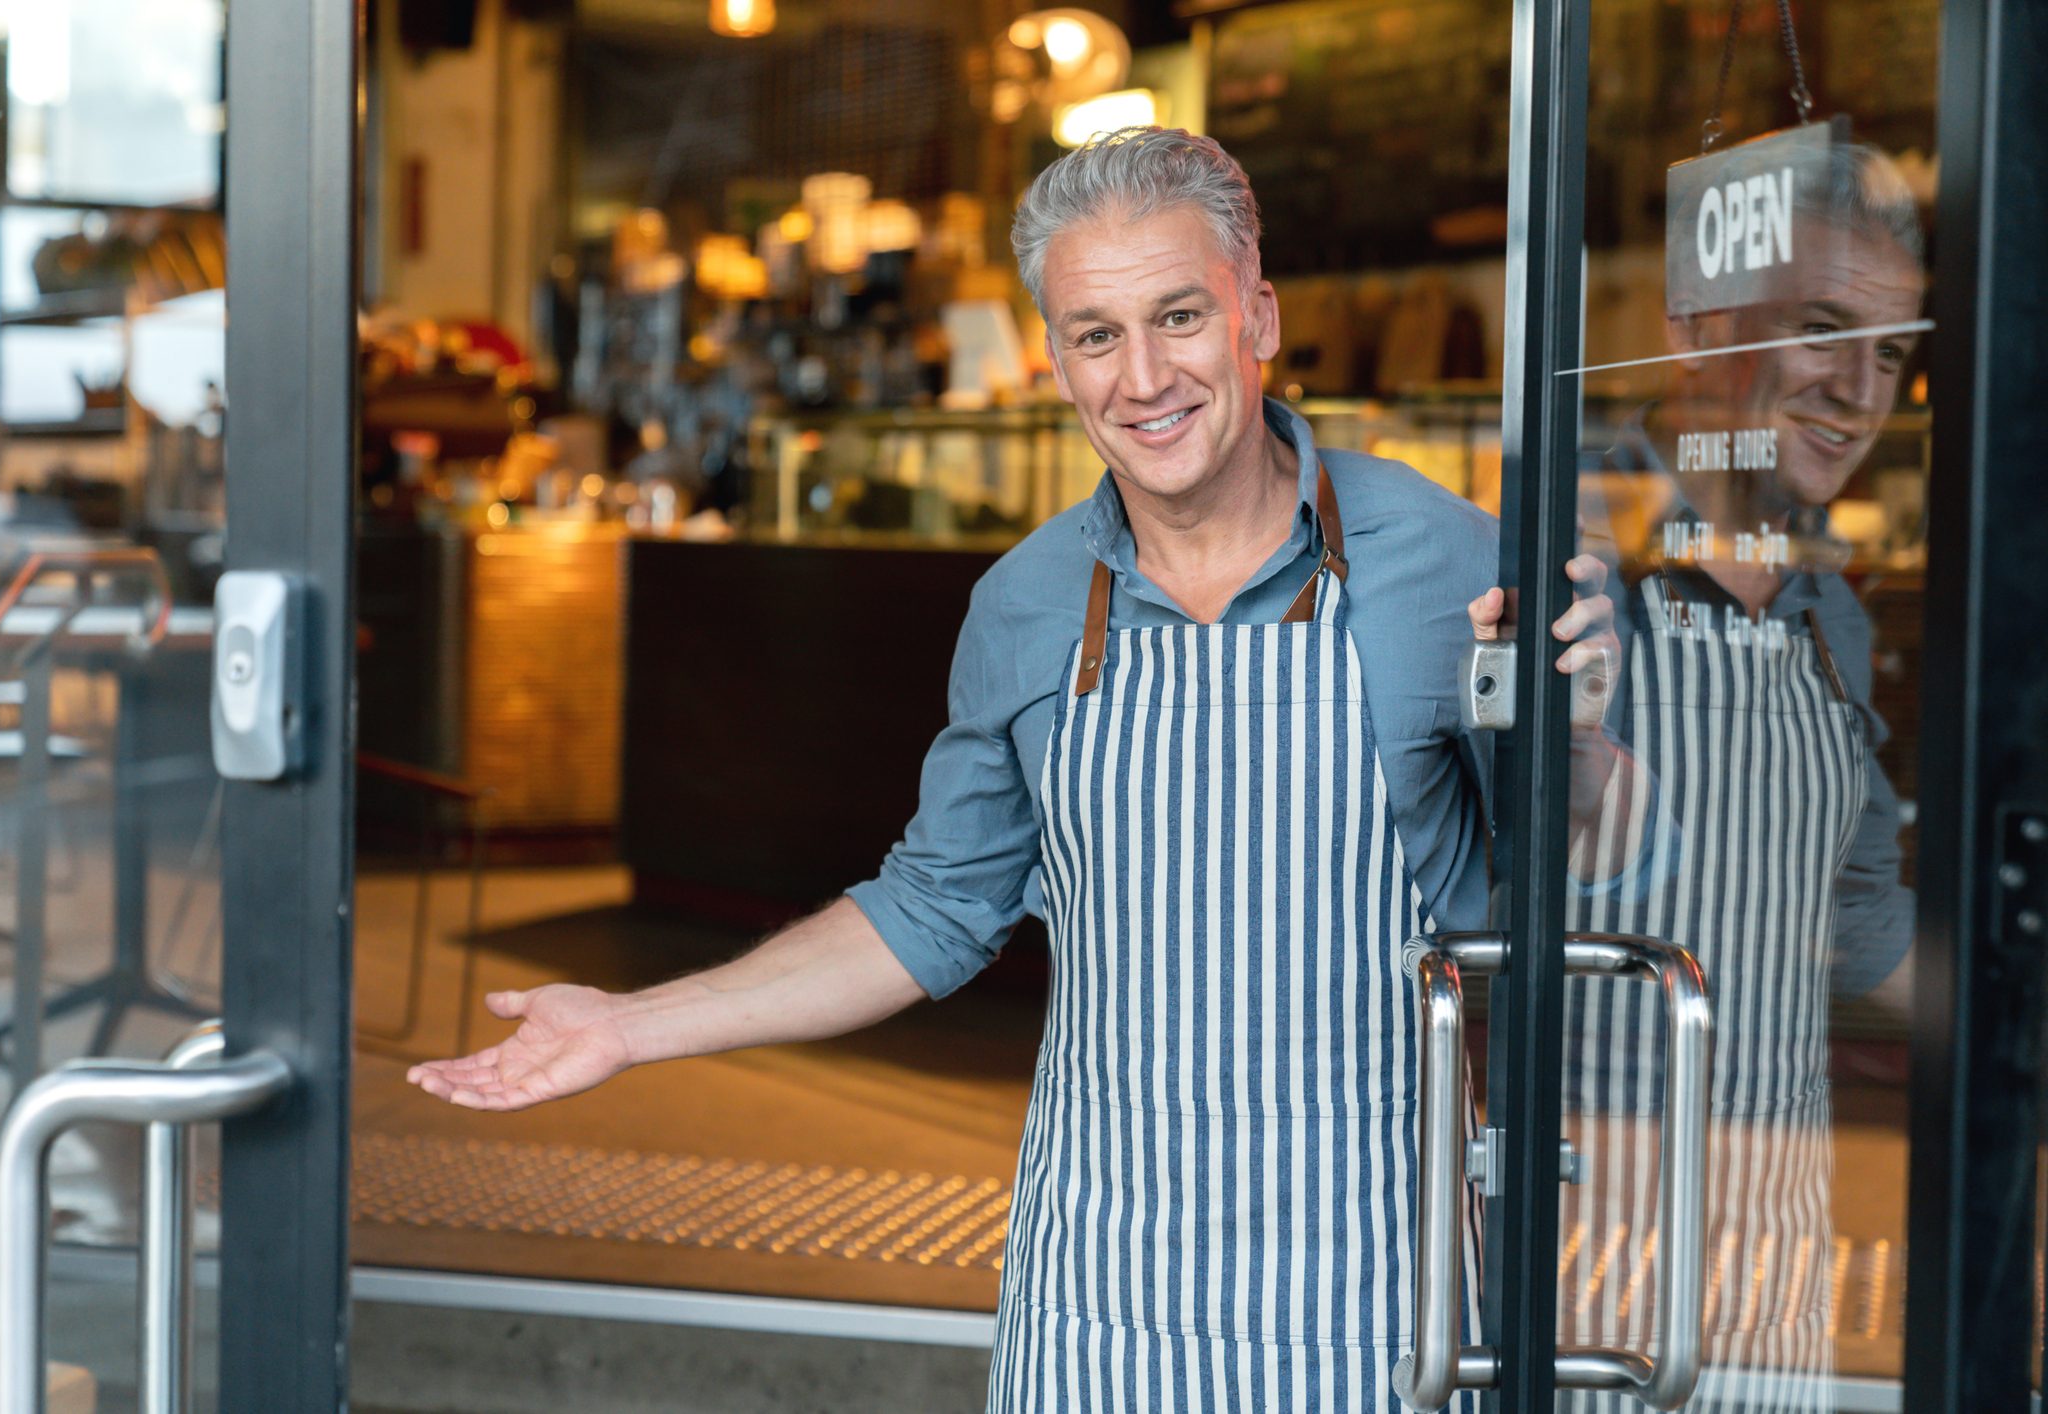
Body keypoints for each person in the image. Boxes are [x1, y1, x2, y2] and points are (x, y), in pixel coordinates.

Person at [411, 127, 1628, 1410]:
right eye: (1096, 334)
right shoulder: (1030, 604)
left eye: (1178, 317)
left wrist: (1580, 740)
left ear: (1256, 317)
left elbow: (1572, 871)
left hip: (1372, 1296)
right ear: (1054, 358)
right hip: (1101, 1298)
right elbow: (933, 908)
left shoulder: (1445, 561)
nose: (1143, 375)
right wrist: (624, 1023)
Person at [1550, 140, 1924, 1413]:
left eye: (1890, 352)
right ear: (1696, 327)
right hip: (1575, 1236)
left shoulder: (1830, 612)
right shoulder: (1563, 546)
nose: (1858, 391)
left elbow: (1859, 917)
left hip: (1770, 1239)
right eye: (1825, 329)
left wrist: (2012, 1025)